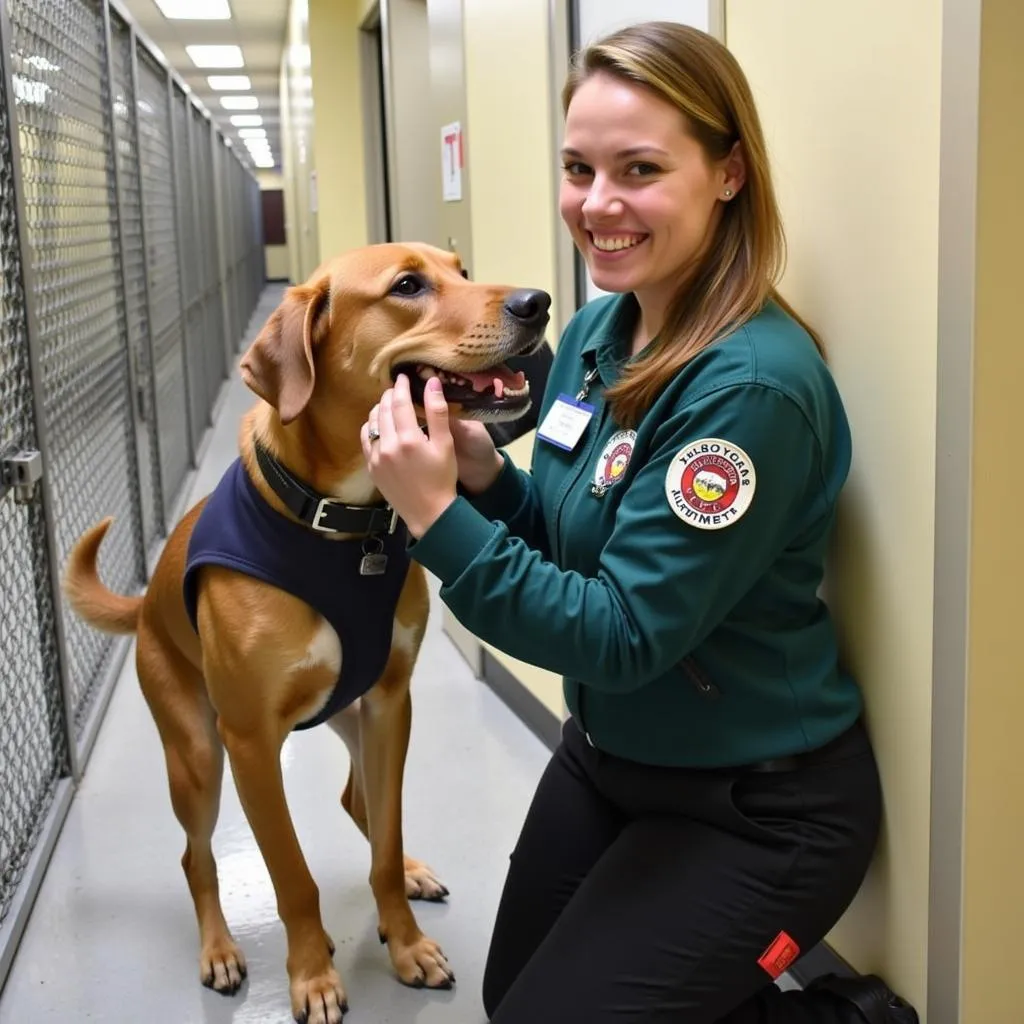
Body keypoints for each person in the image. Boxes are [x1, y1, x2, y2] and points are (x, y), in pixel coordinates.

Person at [360, 20, 919, 1024]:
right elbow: (575, 552)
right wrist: (487, 483)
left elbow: (621, 633)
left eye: (639, 168)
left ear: (728, 173)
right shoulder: (594, 333)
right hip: (616, 756)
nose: (597, 204)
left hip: (762, 805)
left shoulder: (748, 389)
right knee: (513, 998)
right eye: (578, 168)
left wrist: (434, 518)